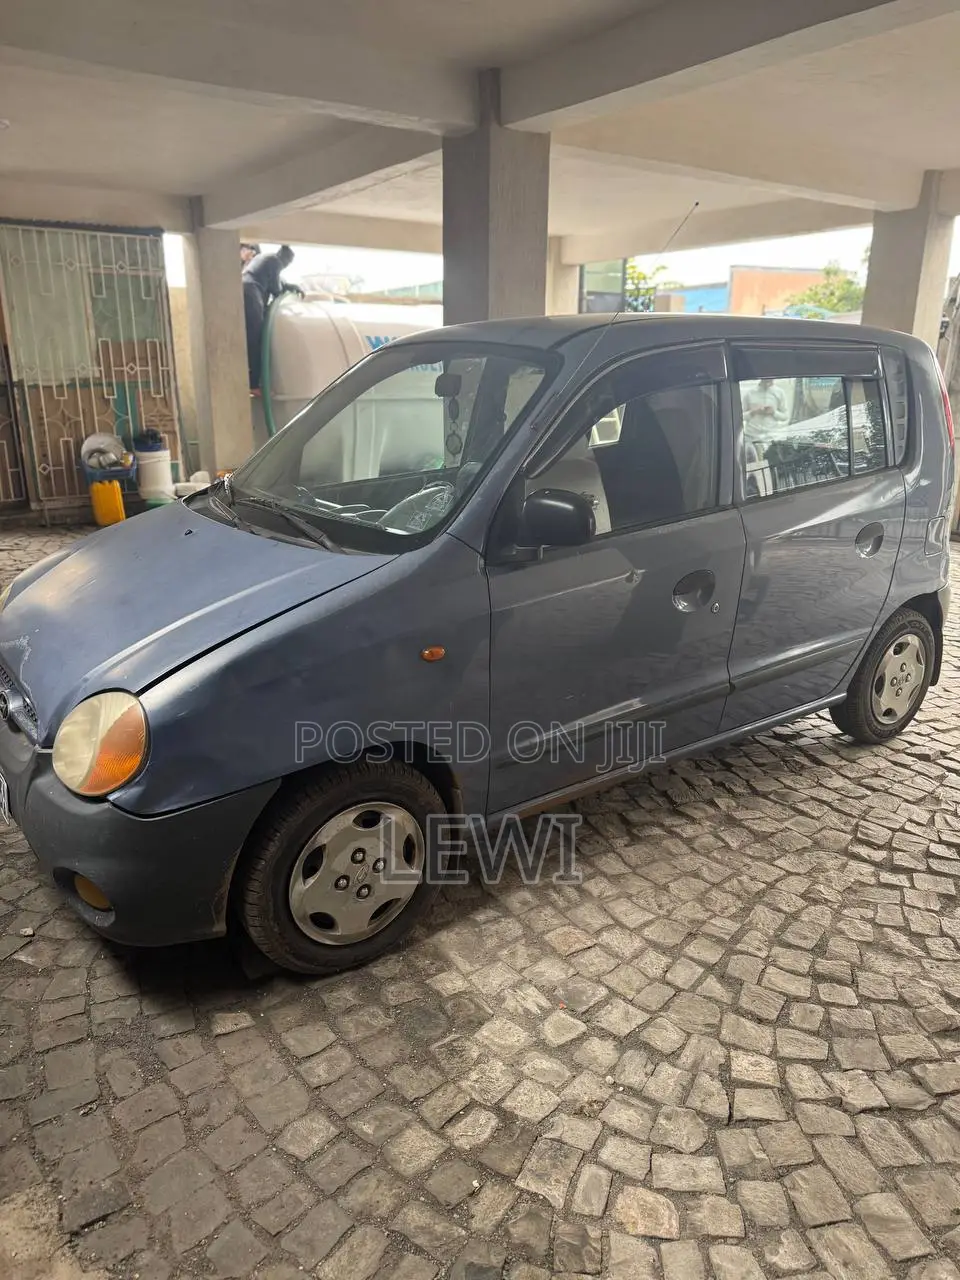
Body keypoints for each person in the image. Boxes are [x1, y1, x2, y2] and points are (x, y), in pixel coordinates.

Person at [242, 245, 304, 392]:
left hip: (246, 290)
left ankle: (251, 382)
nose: (286, 265)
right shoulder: (275, 261)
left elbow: (278, 282)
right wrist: (287, 290)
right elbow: (276, 290)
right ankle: (254, 384)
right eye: (288, 262)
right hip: (252, 293)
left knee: (250, 337)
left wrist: (290, 286)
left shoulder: (265, 259)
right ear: (285, 258)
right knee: (257, 339)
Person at [742, 377, 788, 443]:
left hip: (772, 438)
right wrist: (753, 412)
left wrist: (773, 412)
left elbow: (785, 416)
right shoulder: (749, 393)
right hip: (751, 437)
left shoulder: (780, 393)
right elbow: (740, 417)